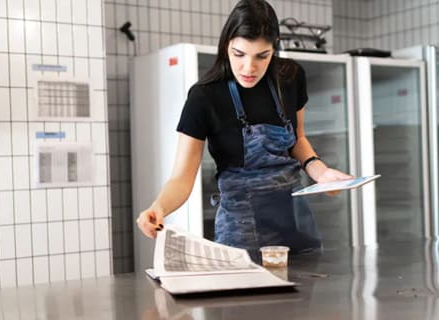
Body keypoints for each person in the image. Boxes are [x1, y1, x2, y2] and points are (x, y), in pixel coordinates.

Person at [136, 0, 351, 259]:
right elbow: (181, 178)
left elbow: (298, 140)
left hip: (295, 226)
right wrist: (159, 207)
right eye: (239, 54)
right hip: (241, 234)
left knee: (302, 295)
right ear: (227, 44)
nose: (249, 68)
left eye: (262, 56)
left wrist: (322, 173)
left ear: (275, 46)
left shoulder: (290, 78)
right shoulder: (204, 97)